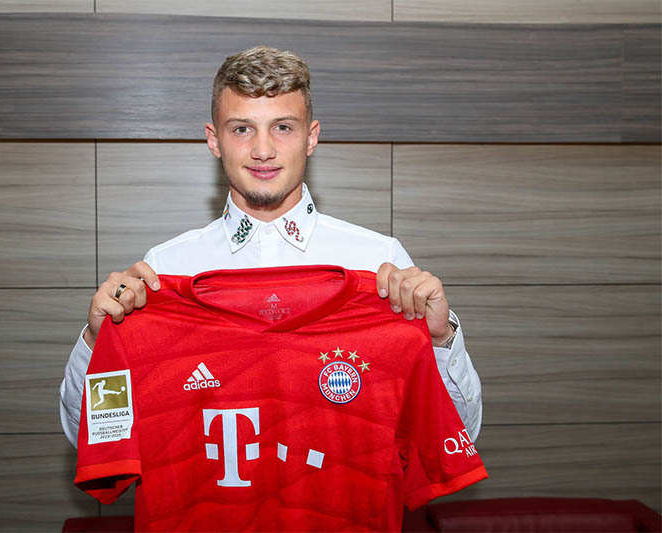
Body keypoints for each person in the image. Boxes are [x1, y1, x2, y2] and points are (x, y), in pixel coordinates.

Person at [60, 45, 482, 447]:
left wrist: (442, 340)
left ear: (311, 138)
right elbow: (91, 437)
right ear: (214, 140)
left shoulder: (380, 264)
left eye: (282, 127)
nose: (263, 150)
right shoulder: (164, 271)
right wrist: (98, 343)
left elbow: (457, 435)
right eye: (242, 129)